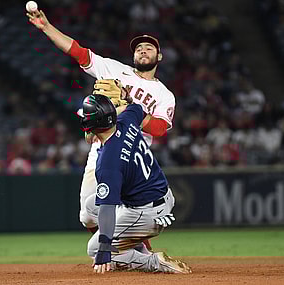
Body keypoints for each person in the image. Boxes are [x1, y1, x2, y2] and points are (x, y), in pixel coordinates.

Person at [27, 9, 176, 244]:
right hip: (100, 149)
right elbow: (77, 52)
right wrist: (46, 27)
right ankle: (126, 253)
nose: (143, 50)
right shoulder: (114, 69)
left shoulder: (164, 94)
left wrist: (130, 105)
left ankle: (138, 255)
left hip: (131, 157)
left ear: (159, 57)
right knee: (88, 216)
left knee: (125, 212)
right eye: (138, 48)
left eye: (149, 48)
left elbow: (158, 129)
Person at [77, 93, 191, 274]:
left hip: (145, 213)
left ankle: (153, 262)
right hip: (161, 196)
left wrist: (105, 247)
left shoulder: (108, 163)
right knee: (91, 206)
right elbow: (137, 107)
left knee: (95, 249)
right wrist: (126, 100)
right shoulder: (127, 120)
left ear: (90, 126)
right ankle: (133, 245)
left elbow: (107, 208)